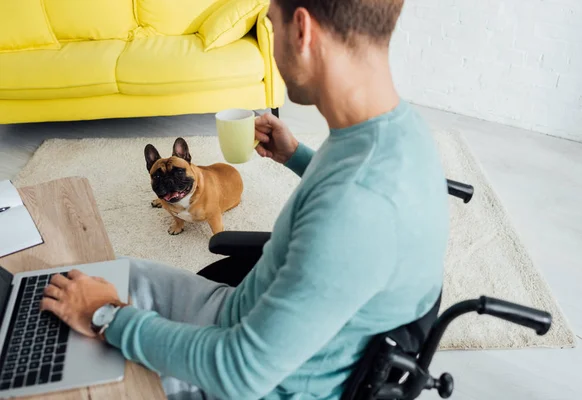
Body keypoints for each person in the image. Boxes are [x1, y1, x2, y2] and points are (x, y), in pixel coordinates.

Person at [39, 0, 449, 399]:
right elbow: (346, 192)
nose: (269, 43)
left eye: (271, 24)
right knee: (79, 280)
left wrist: (107, 315)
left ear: (302, 31)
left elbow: (240, 372)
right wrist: (297, 156)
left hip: (248, 376)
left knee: (59, 360)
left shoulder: (354, 208)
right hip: (241, 310)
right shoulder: (397, 127)